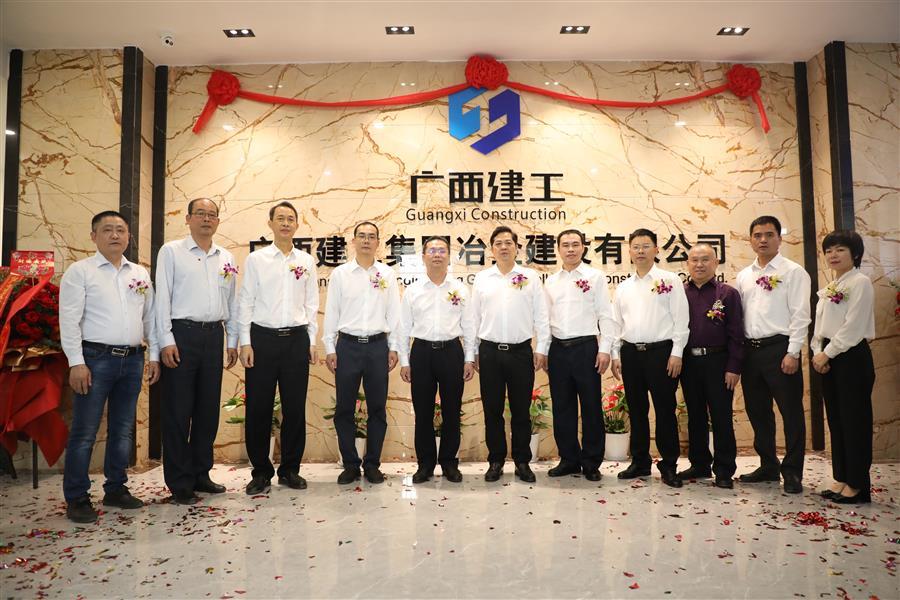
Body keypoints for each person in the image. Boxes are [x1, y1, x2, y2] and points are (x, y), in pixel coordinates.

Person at [59, 210, 160, 522]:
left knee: (123, 429)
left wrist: (154, 355)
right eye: (107, 230)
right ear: (94, 236)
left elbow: (150, 318)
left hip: (133, 359)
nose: (115, 235)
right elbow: (69, 320)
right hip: (95, 359)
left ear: (129, 236)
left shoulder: (139, 273)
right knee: (85, 431)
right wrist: (76, 362)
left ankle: (116, 488)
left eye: (120, 230)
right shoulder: (81, 272)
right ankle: (77, 497)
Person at [156, 198, 239, 504]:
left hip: (214, 335)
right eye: (200, 214)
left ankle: (201, 473)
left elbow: (232, 301)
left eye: (212, 215)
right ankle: (180, 482)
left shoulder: (226, 257)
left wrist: (232, 340)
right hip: (182, 335)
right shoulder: (171, 252)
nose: (206, 219)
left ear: (218, 221)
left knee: (207, 410)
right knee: (178, 411)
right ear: (188, 218)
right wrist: (165, 339)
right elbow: (161, 298)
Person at [238, 202, 318, 495]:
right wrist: (245, 342)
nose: (285, 223)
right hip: (262, 340)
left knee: (294, 408)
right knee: (258, 408)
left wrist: (311, 340)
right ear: (270, 223)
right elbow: (246, 301)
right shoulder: (257, 260)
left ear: (297, 225)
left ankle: (290, 470)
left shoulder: (306, 261)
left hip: (296, 340)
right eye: (280, 218)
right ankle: (260, 472)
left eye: (290, 219)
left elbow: (311, 303)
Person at [735, 215, 810, 494]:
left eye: (769, 234)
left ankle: (792, 471)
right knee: (758, 412)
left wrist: (793, 352)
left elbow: (801, 316)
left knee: (791, 413)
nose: (763, 240)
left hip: (781, 349)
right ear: (750, 240)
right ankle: (768, 465)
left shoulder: (793, 272)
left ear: (779, 238)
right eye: (757, 235)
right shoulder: (744, 275)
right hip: (751, 352)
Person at [323, 221, 401, 485]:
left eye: (371, 236)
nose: (366, 240)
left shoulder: (387, 274)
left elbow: (394, 314)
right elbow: (332, 312)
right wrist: (330, 347)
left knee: (377, 408)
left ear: (378, 242)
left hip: (378, 347)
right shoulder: (340, 274)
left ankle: (372, 464)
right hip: (347, 347)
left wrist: (394, 347)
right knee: (344, 408)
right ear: (353, 241)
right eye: (362, 236)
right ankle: (350, 464)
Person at [471, 225, 550, 483]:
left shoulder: (530, 277)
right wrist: (472, 353)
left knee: (521, 411)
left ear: (517, 247)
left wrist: (541, 348)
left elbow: (541, 316)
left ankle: (522, 462)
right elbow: (473, 319)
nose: (504, 247)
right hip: (489, 352)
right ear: (491, 249)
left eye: (508, 242)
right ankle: (495, 461)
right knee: (492, 410)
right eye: (498, 243)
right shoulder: (482, 279)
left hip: (520, 353)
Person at [610, 228, 689, 488]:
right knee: (637, 410)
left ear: (656, 249)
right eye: (636, 247)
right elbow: (616, 323)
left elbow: (681, 319)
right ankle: (640, 461)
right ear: (629, 251)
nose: (640, 251)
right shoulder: (623, 287)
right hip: (631, 354)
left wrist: (677, 352)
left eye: (646, 246)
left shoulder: (670, 280)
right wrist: (615, 354)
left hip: (661, 354)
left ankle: (669, 465)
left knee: (665, 410)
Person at [398, 237, 475, 484]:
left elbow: (469, 326)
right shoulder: (413, 290)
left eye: (442, 250)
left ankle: (450, 463)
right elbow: (403, 328)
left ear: (448, 257)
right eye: (431, 250)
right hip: (421, 353)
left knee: (452, 411)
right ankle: (425, 465)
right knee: (423, 412)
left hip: (452, 352)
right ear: (423, 257)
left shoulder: (460, 289)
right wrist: (404, 361)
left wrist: (469, 358)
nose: (437, 254)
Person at [543, 229, 616, 481]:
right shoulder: (551, 281)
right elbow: (545, 320)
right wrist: (544, 350)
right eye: (565, 245)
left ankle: (591, 462)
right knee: (562, 407)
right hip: (558, 349)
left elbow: (605, 315)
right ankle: (569, 459)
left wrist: (605, 349)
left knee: (591, 406)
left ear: (583, 247)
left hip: (586, 348)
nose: (571, 249)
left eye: (575, 244)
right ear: (558, 249)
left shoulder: (595, 277)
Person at [811, 230, 875, 504]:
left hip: (851, 357)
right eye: (829, 250)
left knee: (854, 421)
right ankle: (842, 477)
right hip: (829, 356)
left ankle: (858, 485)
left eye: (840, 250)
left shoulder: (860, 282)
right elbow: (820, 326)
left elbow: (853, 327)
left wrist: (827, 354)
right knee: (837, 420)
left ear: (855, 254)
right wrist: (817, 351)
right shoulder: (832, 285)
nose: (833, 255)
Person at [680, 243, 743, 489]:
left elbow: (736, 333)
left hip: (719, 361)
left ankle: (724, 469)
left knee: (721, 415)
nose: (699, 264)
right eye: (694, 260)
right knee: (694, 415)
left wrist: (734, 366)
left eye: (705, 259)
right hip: (688, 362)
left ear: (716, 263)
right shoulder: (679, 293)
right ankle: (699, 464)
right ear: (687, 264)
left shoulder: (727, 294)